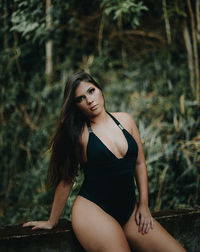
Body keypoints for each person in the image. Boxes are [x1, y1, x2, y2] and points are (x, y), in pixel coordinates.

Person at [23, 71, 186, 252]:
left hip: (129, 212)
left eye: (91, 91)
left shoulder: (126, 121)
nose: (90, 100)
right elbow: (67, 179)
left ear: (100, 89)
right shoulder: (79, 135)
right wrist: (52, 221)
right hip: (93, 211)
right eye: (80, 99)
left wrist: (144, 205)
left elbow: (139, 164)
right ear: (75, 105)